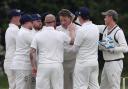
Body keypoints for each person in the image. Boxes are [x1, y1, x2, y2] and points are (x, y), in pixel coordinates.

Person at [30, 23, 73, 89]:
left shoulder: (38, 35)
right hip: (57, 65)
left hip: (43, 65)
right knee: (57, 87)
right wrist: (72, 31)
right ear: (54, 23)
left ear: (45, 23)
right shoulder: (61, 34)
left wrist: (34, 66)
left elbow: (32, 52)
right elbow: (72, 42)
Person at [98, 10, 128, 89]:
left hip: (115, 63)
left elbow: (125, 48)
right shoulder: (104, 28)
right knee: (103, 87)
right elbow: (91, 27)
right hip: (107, 62)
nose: (104, 19)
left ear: (110, 17)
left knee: (114, 87)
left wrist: (112, 49)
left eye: (105, 17)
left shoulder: (118, 32)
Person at [71, 7, 100, 89]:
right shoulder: (95, 28)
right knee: (95, 86)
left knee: (80, 86)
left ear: (80, 17)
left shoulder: (81, 30)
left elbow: (74, 50)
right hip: (94, 62)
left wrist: (72, 32)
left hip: (83, 63)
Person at [56, 9, 80, 89]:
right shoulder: (57, 29)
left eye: (65, 20)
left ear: (70, 18)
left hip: (75, 60)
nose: (63, 22)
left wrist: (72, 31)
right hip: (63, 61)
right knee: (65, 85)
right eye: (61, 20)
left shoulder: (78, 29)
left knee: (76, 83)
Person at [11, 14, 34, 89]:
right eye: (32, 22)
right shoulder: (25, 33)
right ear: (27, 22)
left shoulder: (22, 31)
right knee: (22, 87)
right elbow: (37, 43)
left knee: (24, 86)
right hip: (23, 65)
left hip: (21, 64)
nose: (33, 24)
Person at [4, 9, 22, 89]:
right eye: (19, 16)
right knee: (15, 86)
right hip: (12, 62)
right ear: (13, 18)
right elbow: (23, 43)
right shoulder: (14, 30)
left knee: (14, 85)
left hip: (11, 61)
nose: (21, 18)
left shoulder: (12, 29)